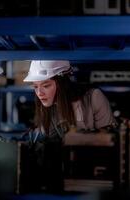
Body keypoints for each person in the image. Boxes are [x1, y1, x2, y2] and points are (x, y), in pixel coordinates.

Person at [20, 60, 115, 194]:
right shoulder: (46, 108)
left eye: (46, 85)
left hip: (93, 180)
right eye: (35, 87)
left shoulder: (93, 98)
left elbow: (112, 143)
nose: (39, 93)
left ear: (62, 84)